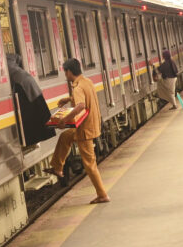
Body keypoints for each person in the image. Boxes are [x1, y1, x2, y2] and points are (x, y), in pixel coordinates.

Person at [46, 58, 110, 204]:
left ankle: (102, 194)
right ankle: (57, 167)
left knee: (89, 164)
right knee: (65, 137)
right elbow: (84, 98)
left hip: (85, 130)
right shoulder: (87, 82)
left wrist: (64, 119)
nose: (65, 76)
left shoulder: (78, 87)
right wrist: (68, 99)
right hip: (91, 125)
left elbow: (81, 105)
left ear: (69, 72)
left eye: (65, 72)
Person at [6, 53, 56, 146]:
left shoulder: (5, 64)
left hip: (22, 85)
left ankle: (33, 139)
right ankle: (40, 137)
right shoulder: (14, 62)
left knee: (28, 113)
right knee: (38, 110)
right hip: (30, 83)